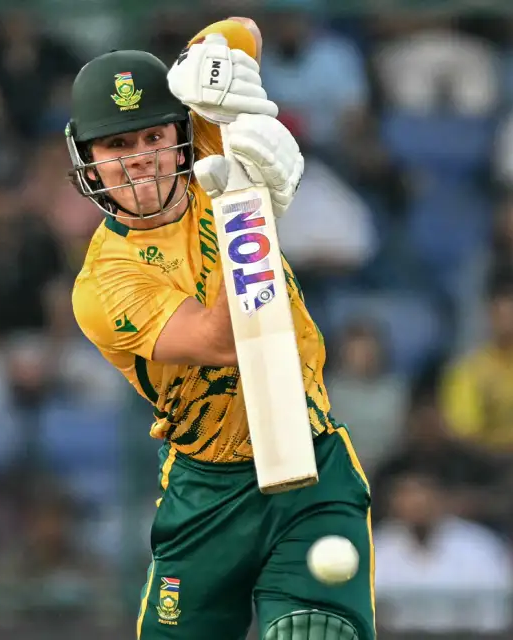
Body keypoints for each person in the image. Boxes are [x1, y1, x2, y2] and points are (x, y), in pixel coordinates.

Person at [68, 18, 374, 640]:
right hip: (207, 488)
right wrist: (248, 209)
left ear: (180, 134)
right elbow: (226, 341)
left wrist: (203, 67)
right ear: (89, 165)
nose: (140, 159)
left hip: (310, 461)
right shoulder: (103, 283)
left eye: (153, 136)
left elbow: (243, 32)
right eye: (117, 146)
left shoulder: (210, 138)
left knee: (314, 632)